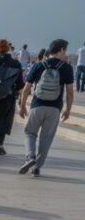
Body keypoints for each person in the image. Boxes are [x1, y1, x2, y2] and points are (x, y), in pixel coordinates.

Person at [18, 38, 76, 177]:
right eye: (65, 50)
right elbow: (69, 92)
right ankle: (37, 167)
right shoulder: (66, 67)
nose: (65, 53)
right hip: (54, 108)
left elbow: (27, 88)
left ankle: (30, 157)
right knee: (46, 138)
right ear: (61, 50)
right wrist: (68, 109)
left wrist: (22, 105)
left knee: (30, 133)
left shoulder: (39, 65)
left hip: (37, 106)